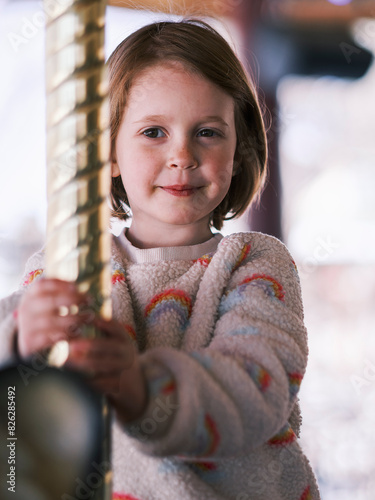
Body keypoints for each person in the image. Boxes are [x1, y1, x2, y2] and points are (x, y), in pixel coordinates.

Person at [0, 20, 320, 500]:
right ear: (106, 152)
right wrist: (21, 338)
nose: (182, 155)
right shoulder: (68, 265)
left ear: (239, 149)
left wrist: (140, 389)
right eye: (153, 132)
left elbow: (258, 384)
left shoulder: (255, 264)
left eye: (208, 132)